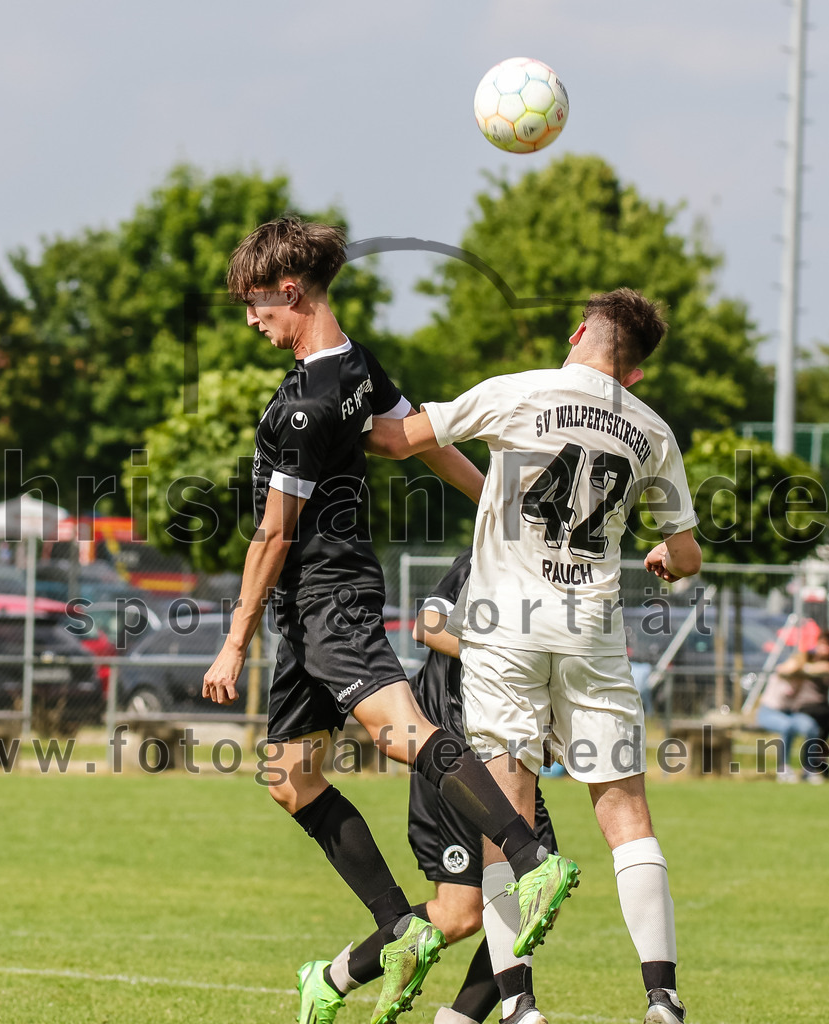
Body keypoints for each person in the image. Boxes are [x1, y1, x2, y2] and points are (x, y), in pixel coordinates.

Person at [202, 218, 580, 1024]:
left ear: (290, 292)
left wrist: (233, 638)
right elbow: (422, 444)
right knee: (289, 778)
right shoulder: (355, 368)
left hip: (323, 593)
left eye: (255, 304)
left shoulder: (307, 401)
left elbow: (274, 533)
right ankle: (397, 925)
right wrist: (500, 506)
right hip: (306, 612)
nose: (250, 318)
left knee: (400, 729)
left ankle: (527, 857)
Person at [368, 288, 702, 1024]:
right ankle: (662, 995)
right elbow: (686, 551)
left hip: (506, 633)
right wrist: (664, 558)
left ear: (580, 332)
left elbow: (398, 440)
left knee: (506, 820)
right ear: (637, 373)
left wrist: (354, 398)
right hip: (590, 634)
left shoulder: (517, 393)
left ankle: (518, 1004)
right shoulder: (652, 430)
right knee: (626, 815)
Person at [299, 550, 561, 1024]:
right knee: (497, 893)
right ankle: (513, 1011)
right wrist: (508, 655)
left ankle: (340, 981)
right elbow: (429, 624)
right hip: (451, 746)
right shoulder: (491, 552)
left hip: (504, 751)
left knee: (500, 901)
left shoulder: (568, 572)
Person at [775, 630, 829, 781]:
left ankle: (821, 755)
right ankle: (808, 768)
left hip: (824, 708)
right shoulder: (806, 657)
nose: (825, 649)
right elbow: (784, 669)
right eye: (822, 644)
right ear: (816, 644)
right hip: (805, 707)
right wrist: (811, 668)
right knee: (813, 728)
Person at [756, 668, 823, 782]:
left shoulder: (804, 682)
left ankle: (808, 769)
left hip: (790, 714)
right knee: (788, 726)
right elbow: (786, 667)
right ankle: (784, 768)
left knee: (812, 727)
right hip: (769, 712)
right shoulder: (780, 676)